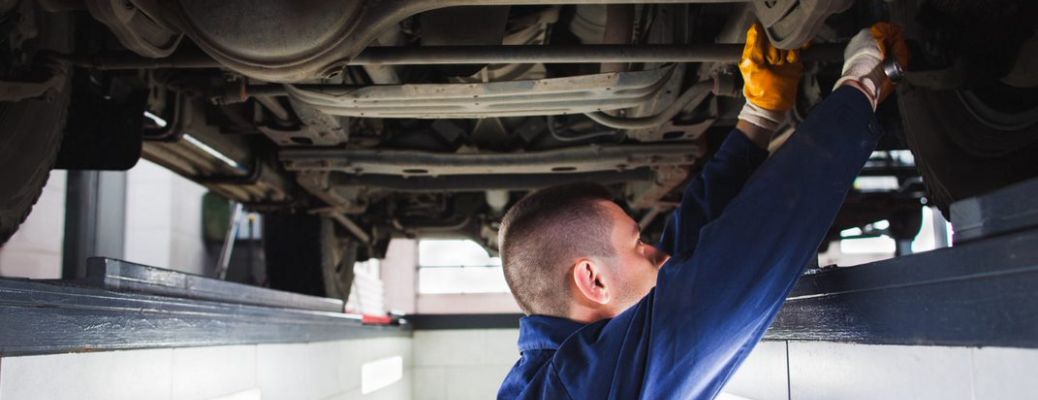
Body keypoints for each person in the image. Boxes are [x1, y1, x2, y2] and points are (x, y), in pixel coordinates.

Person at [496, 22, 909, 400]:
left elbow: (682, 276)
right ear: (593, 279)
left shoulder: (569, 376)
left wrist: (758, 117)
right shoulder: (582, 388)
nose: (662, 253)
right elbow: (730, 267)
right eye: (639, 246)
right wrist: (863, 82)